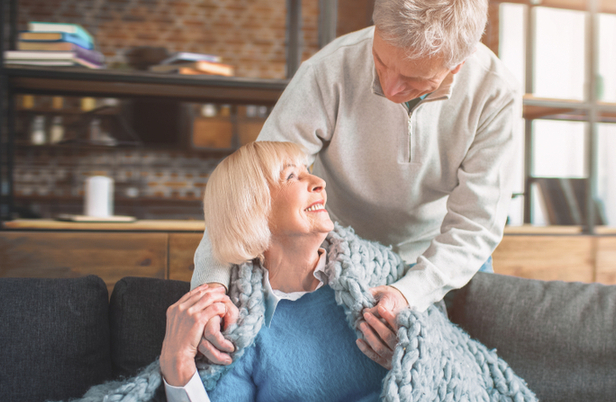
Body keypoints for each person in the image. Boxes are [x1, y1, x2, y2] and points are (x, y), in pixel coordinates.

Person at [192, 0, 521, 366]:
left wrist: (408, 293)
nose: (390, 87)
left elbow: (476, 224)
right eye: (381, 62)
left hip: (442, 252)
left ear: (457, 64)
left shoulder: (495, 93)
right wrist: (210, 288)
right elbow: (250, 189)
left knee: (468, 369)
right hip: (342, 255)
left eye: (413, 81)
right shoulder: (327, 71)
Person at [161, 141, 391, 401]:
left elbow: (435, 365)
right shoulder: (237, 328)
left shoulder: (384, 280)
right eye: (292, 176)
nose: (319, 182)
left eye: (309, 170)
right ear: (252, 210)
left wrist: (408, 356)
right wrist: (176, 362)